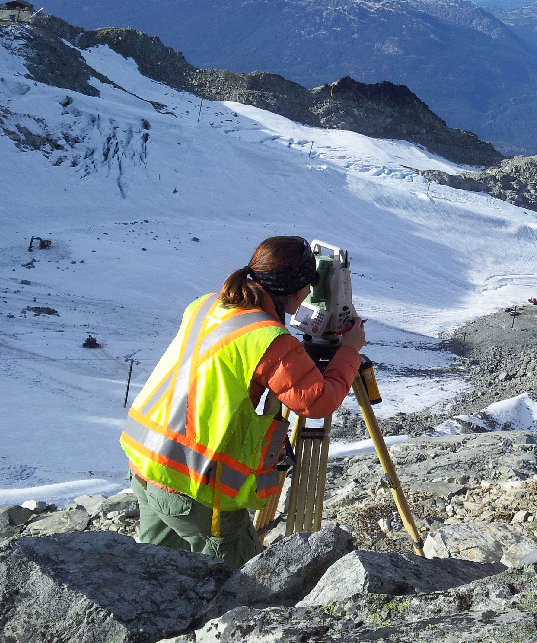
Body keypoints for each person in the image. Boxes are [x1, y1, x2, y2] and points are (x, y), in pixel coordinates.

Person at [120, 235, 365, 567]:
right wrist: (349, 348)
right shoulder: (268, 338)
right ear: (294, 289)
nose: (310, 293)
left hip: (146, 463)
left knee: (158, 577)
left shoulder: (207, 304)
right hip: (193, 489)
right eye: (308, 286)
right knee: (239, 588)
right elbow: (316, 402)